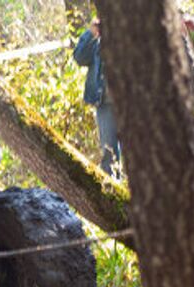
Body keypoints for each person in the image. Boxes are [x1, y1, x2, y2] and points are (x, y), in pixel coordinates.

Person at [73, 18, 121, 177]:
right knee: (109, 155)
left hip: (132, 102)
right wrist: (92, 33)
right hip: (105, 103)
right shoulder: (98, 35)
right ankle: (114, 195)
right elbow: (79, 57)